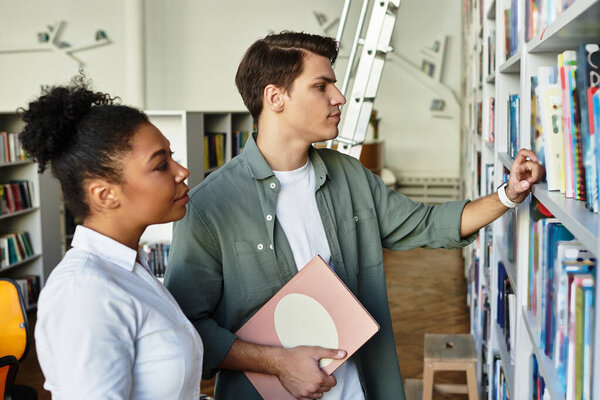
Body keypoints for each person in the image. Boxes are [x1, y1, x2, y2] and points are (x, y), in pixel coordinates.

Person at [164, 31, 543, 400]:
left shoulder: (350, 175)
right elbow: (188, 326)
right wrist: (278, 363)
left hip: (360, 387)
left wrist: (508, 196)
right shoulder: (208, 206)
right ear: (275, 97)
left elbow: (426, 224)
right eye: (321, 86)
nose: (340, 97)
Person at [21, 77, 204, 399]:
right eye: (161, 165)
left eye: (172, 157)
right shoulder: (85, 292)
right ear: (105, 195)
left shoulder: (128, 268)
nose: (181, 171)